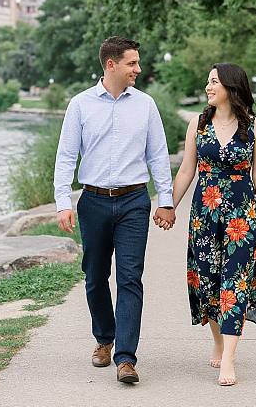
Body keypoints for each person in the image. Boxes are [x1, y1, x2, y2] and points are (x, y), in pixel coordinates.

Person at [54, 36, 176, 384]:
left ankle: (126, 358)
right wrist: (64, 202)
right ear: (111, 65)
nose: (138, 69)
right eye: (132, 63)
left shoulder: (146, 105)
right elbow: (65, 156)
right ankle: (104, 339)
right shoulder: (80, 105)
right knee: (94, 277)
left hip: (134, 202)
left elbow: (157, 155)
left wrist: (165, 200)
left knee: (130, 278)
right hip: (92, 201)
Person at [164, 63, 256, 386]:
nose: (208, 86)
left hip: (243, 215)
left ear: (231, 86)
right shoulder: (198, 125)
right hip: (204, 215)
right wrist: (168, 206)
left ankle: (229, 358)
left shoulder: (255, 127)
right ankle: (217, 339)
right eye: (208, 81)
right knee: (208, 283)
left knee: (235, 283)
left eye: (213, 81)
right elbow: (186, 171)